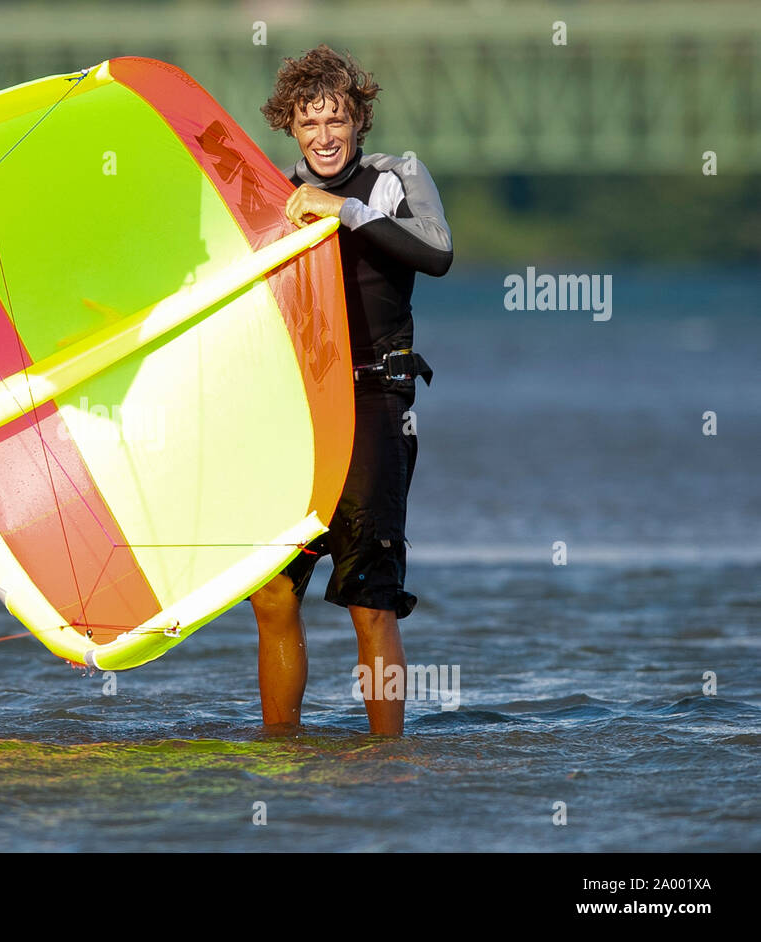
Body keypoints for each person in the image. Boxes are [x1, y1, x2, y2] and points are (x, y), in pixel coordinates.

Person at [250, 44, 453, 736]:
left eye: (336, 120)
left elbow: (438, 253)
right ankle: (281, 753)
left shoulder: (396, 178)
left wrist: (343, 213)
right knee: (273, 595)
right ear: (290, 128)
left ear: (359, 120)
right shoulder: (273, 194)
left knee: (372, 599)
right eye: (309, 124)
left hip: (375, 400)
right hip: (297, 405)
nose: (324, 137)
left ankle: (386, 759)